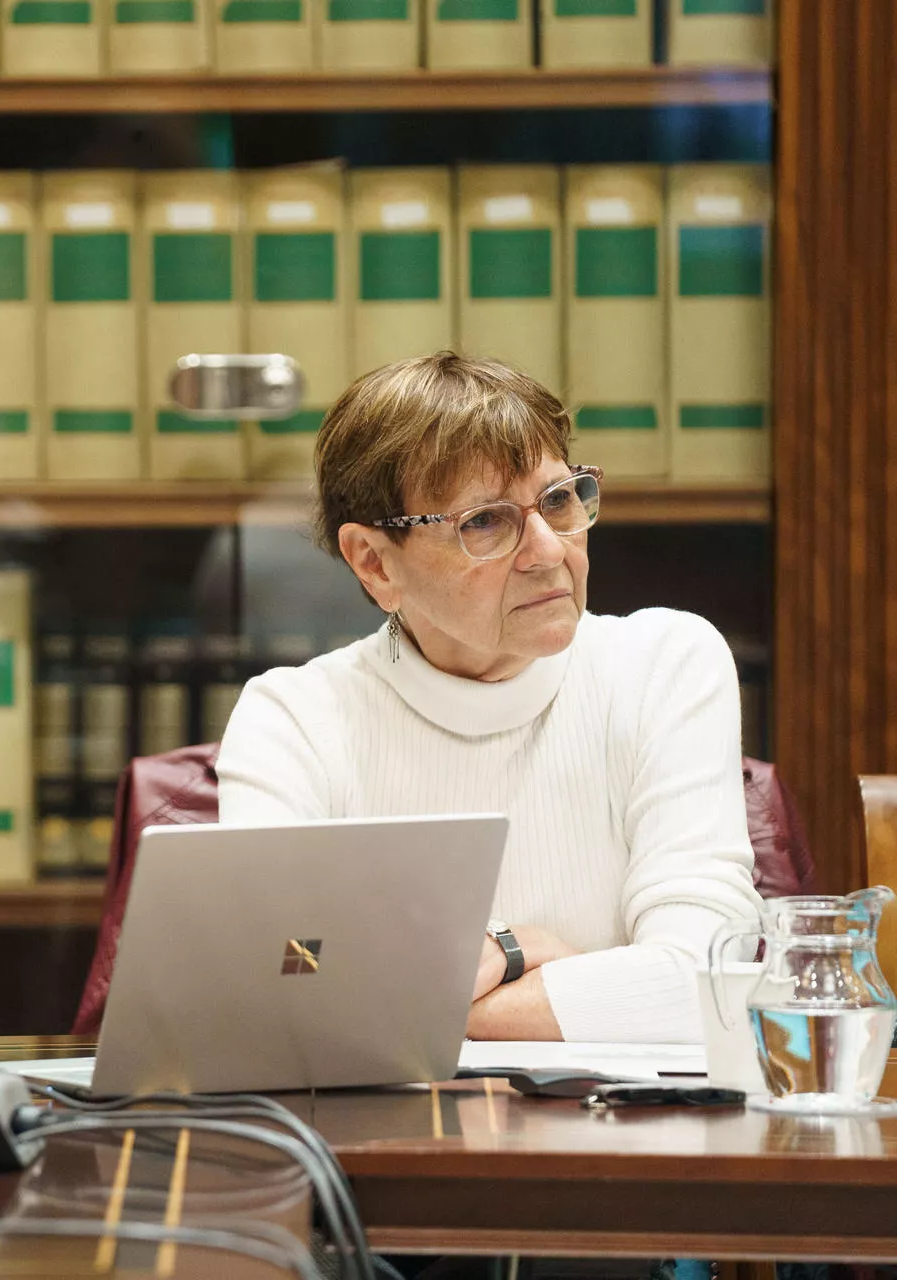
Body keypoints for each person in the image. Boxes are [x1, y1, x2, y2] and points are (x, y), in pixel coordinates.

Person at [217, 353, 762, 1043]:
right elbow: (275, 974)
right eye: (485, 523)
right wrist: (549, 962)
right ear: (374, 563)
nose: (547, 550)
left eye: (560, 501)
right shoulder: (294, 718)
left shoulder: (664, 666)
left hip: (624, 1138)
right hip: (384, 1143)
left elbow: (708, 977)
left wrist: (435, 1003)